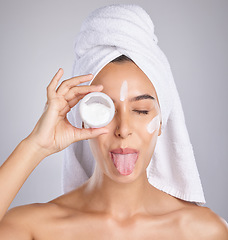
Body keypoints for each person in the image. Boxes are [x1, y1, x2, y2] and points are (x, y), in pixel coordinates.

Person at [0, 4, 227, 239]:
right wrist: (35, 145)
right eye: (103, 109)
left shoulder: (202, 231)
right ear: (84, 120)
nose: (124, 129)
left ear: (161, 122)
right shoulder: (36, 228)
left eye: (140, 110)